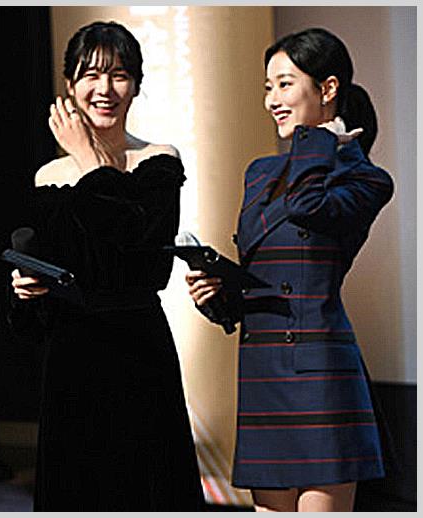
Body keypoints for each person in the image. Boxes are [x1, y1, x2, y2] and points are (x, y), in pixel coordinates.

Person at [186, 27, 394, 512]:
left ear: (328, 88)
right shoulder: (260, 173)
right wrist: (220, 295)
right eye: (268, 87)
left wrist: (320, 140)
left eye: (284, 84)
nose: (272, 100)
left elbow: (307, 206)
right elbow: (260, 271)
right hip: (263, 373)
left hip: (320, 375)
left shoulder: (366, 178)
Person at [8, 21, 205, 511]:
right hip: (72, 360)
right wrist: (28, 290)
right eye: (91, 75)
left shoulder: (158, 160)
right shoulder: (49, 176)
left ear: (136, 85)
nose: (105, 89)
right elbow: (48, 293)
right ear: (70, 85)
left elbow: (140, 256)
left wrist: (89, 158)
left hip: (139, 351)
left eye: (119, 75)